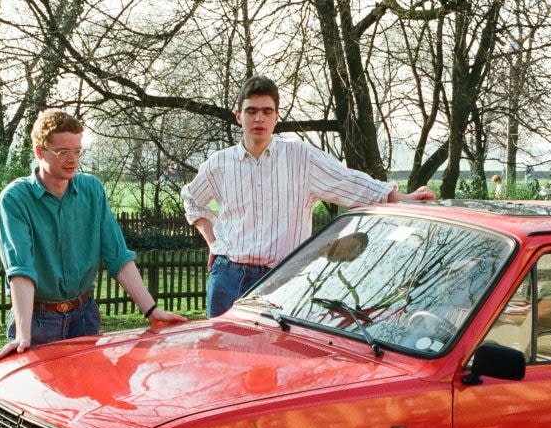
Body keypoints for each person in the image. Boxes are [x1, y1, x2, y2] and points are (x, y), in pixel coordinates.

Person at [0, 108, 186, 428]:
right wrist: (25, 334)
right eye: (61, 151)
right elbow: (20, 269)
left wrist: (152, 310)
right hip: (40, 318)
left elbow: (117, 255)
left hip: (84, 317)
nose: (71, 160)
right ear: (39, 151)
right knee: (25, 425)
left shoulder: (91, 191)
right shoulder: (16, 199)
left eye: (77, 151)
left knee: (86, 423)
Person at [181, 75, 436, 317]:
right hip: (228, 279)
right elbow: (192, 199)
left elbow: (350, 182)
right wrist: (213, 242)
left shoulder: (301, 158)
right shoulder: (219, 163)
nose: (259, 118)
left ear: (276, 117)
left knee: (282, 359)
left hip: (283, 280)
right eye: (251, 111)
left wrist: (404, 198)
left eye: (267, 111)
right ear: (239, 116)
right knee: (227, 357)